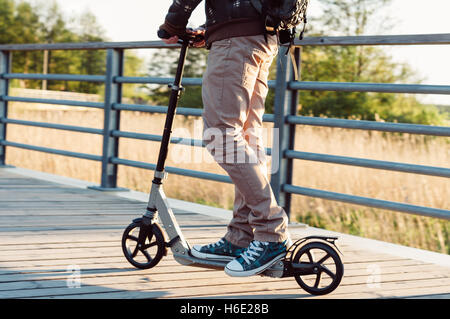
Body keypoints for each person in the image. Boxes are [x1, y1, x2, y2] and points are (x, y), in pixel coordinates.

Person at [159, 0, 291, 277]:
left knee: (221, 133)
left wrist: (173, 25)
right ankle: (240, 236)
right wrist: (212, 28)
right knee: (246, 136)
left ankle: (271, 231)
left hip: (237, 41)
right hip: (260, 36)